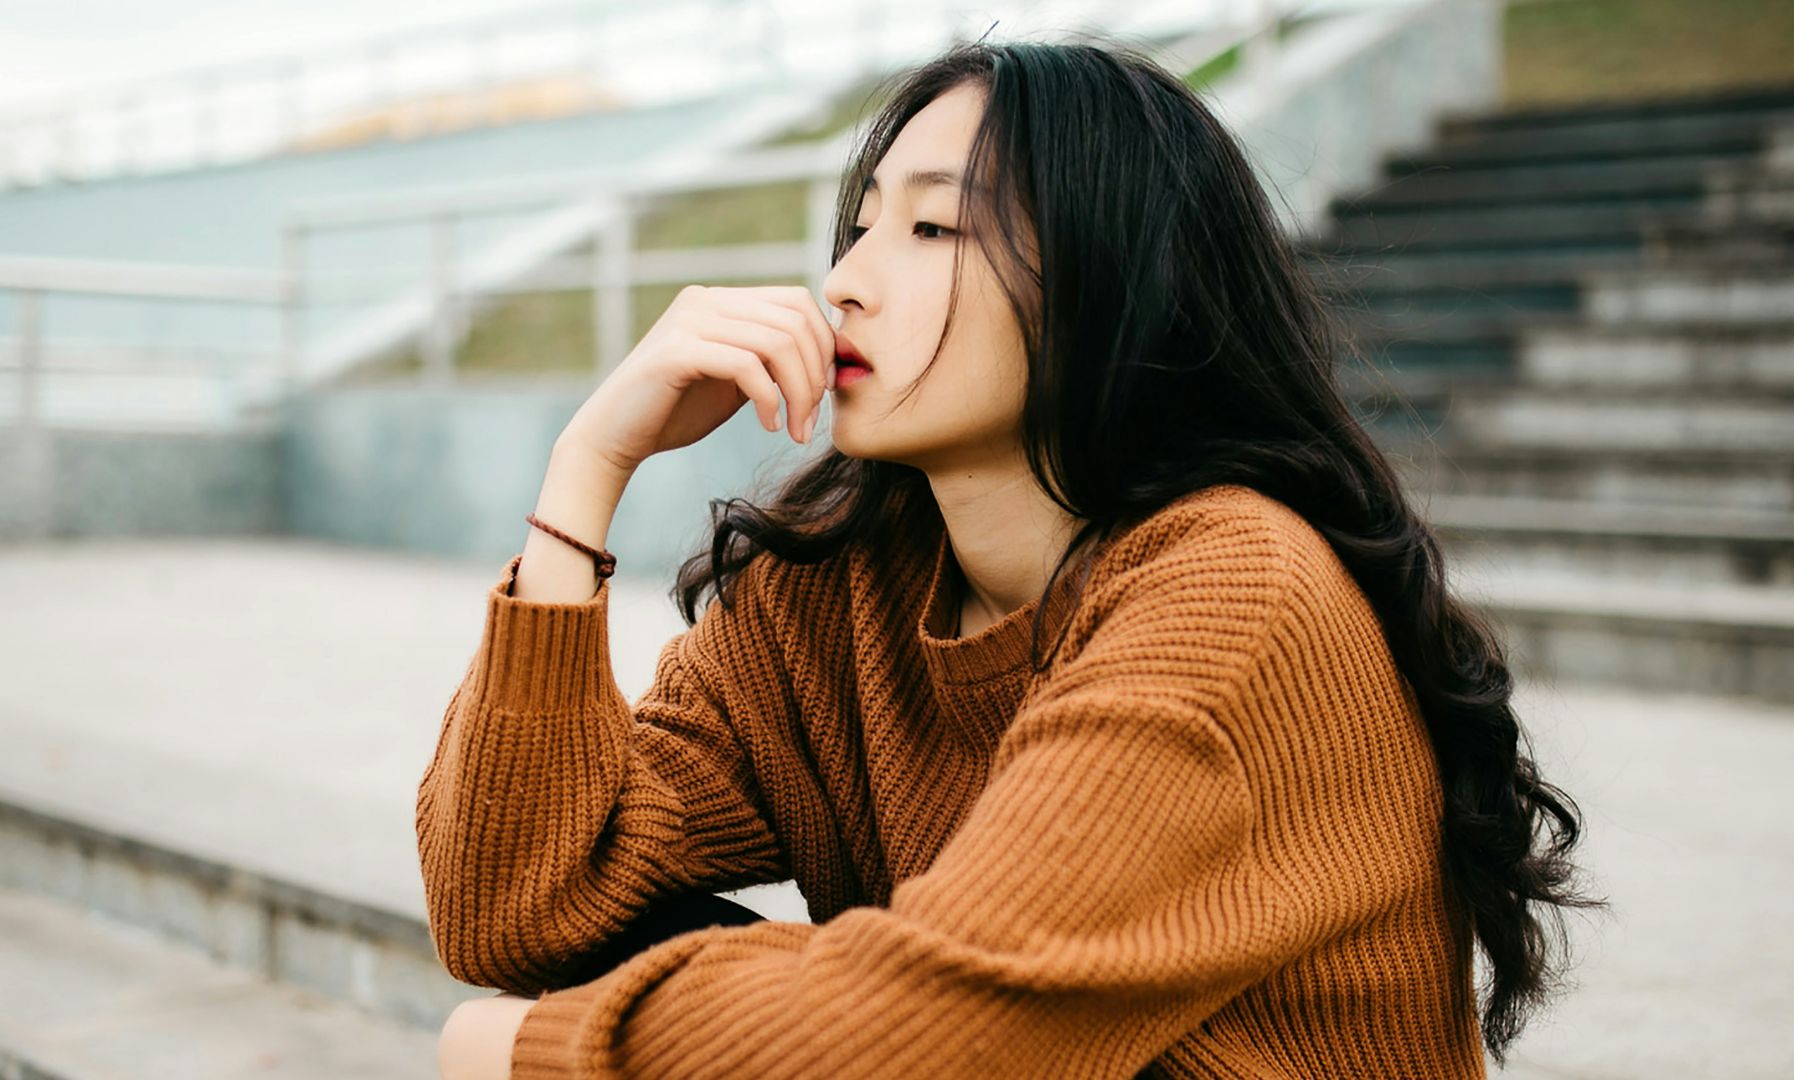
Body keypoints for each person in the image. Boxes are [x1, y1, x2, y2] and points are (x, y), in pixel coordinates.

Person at [424, 36, 1606, 1080]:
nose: (844, 282)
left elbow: (938, 1040)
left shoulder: (1233, 591)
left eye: (933, 227)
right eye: (861, 224)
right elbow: (516, 907)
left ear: (1110, 285)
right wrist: (586, 474)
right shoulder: (836, 582)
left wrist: (530, 1053)